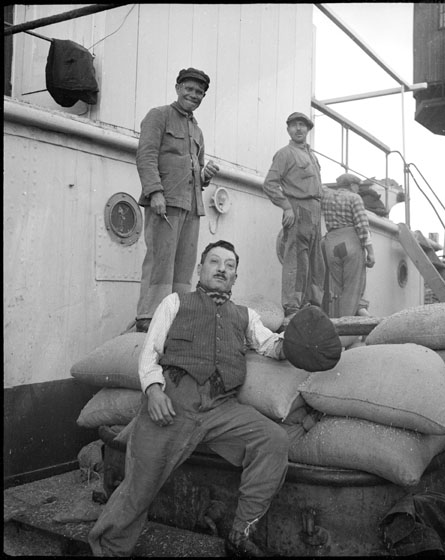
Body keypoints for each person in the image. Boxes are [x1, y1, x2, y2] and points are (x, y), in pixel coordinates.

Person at [88, 240, 289, 557]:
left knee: (274, 440)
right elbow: (150, 352)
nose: (222, 269)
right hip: (172, 403)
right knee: (140, 485)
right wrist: (153, 391)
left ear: (235, 277)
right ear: (200, 268)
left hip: (222, 407)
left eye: (230, 265)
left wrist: (294, 345)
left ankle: (240, 534)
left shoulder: (246, 316)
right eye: (214, 262)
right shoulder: (175, 303)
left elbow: (271, 346)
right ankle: (109, 549)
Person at [135, 67, 220, 333]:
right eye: (189, 89)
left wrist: (205, 176)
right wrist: (155, 192)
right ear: (177, 88)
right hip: (165, 201)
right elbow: (146, 156)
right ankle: (149, 315)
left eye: (199, 92)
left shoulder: (198, 131)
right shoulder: (158, 115)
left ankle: (178, 315)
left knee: (184, 265)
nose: (193, 95)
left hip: (192, 206)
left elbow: (197, 172)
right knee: (160, 259)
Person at [263, 112, 325, 325]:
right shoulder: (285, 154)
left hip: (315, 211)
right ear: (288, 129)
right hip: (298, 209)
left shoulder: (312, 156)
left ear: (308, 129)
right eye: (294, 125)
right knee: (297, 260)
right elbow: (270, 184)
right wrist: (286, 207)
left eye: (302, 125)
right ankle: (292, 307)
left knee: (316, 261)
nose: (299, 129)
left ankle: (311, 305)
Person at [321, 173, 375, 319]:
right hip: (350, 241)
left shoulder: (326, 196)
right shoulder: (354, 198)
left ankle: (345, 319)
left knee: (338, 288)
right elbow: (362, 226)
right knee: (353, 287)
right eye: (357, 186)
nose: (358, 189)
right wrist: (370, 252)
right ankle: (350, 322)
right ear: (352, 185)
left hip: (332, 244)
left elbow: (319, 187)